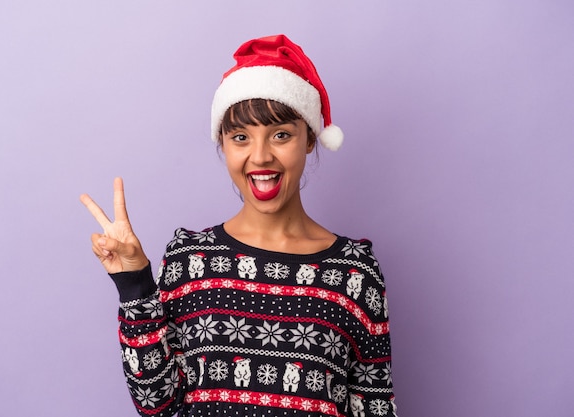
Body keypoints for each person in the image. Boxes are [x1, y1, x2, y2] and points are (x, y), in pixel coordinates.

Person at [81, 34, 398, 417]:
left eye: (281, 135)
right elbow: (157, 404)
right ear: (224, 145)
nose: (260, 156)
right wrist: (134, 283)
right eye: (240, 137)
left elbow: (375, 406)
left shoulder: (355, 273)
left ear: (310, 139)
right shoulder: (190, 260)